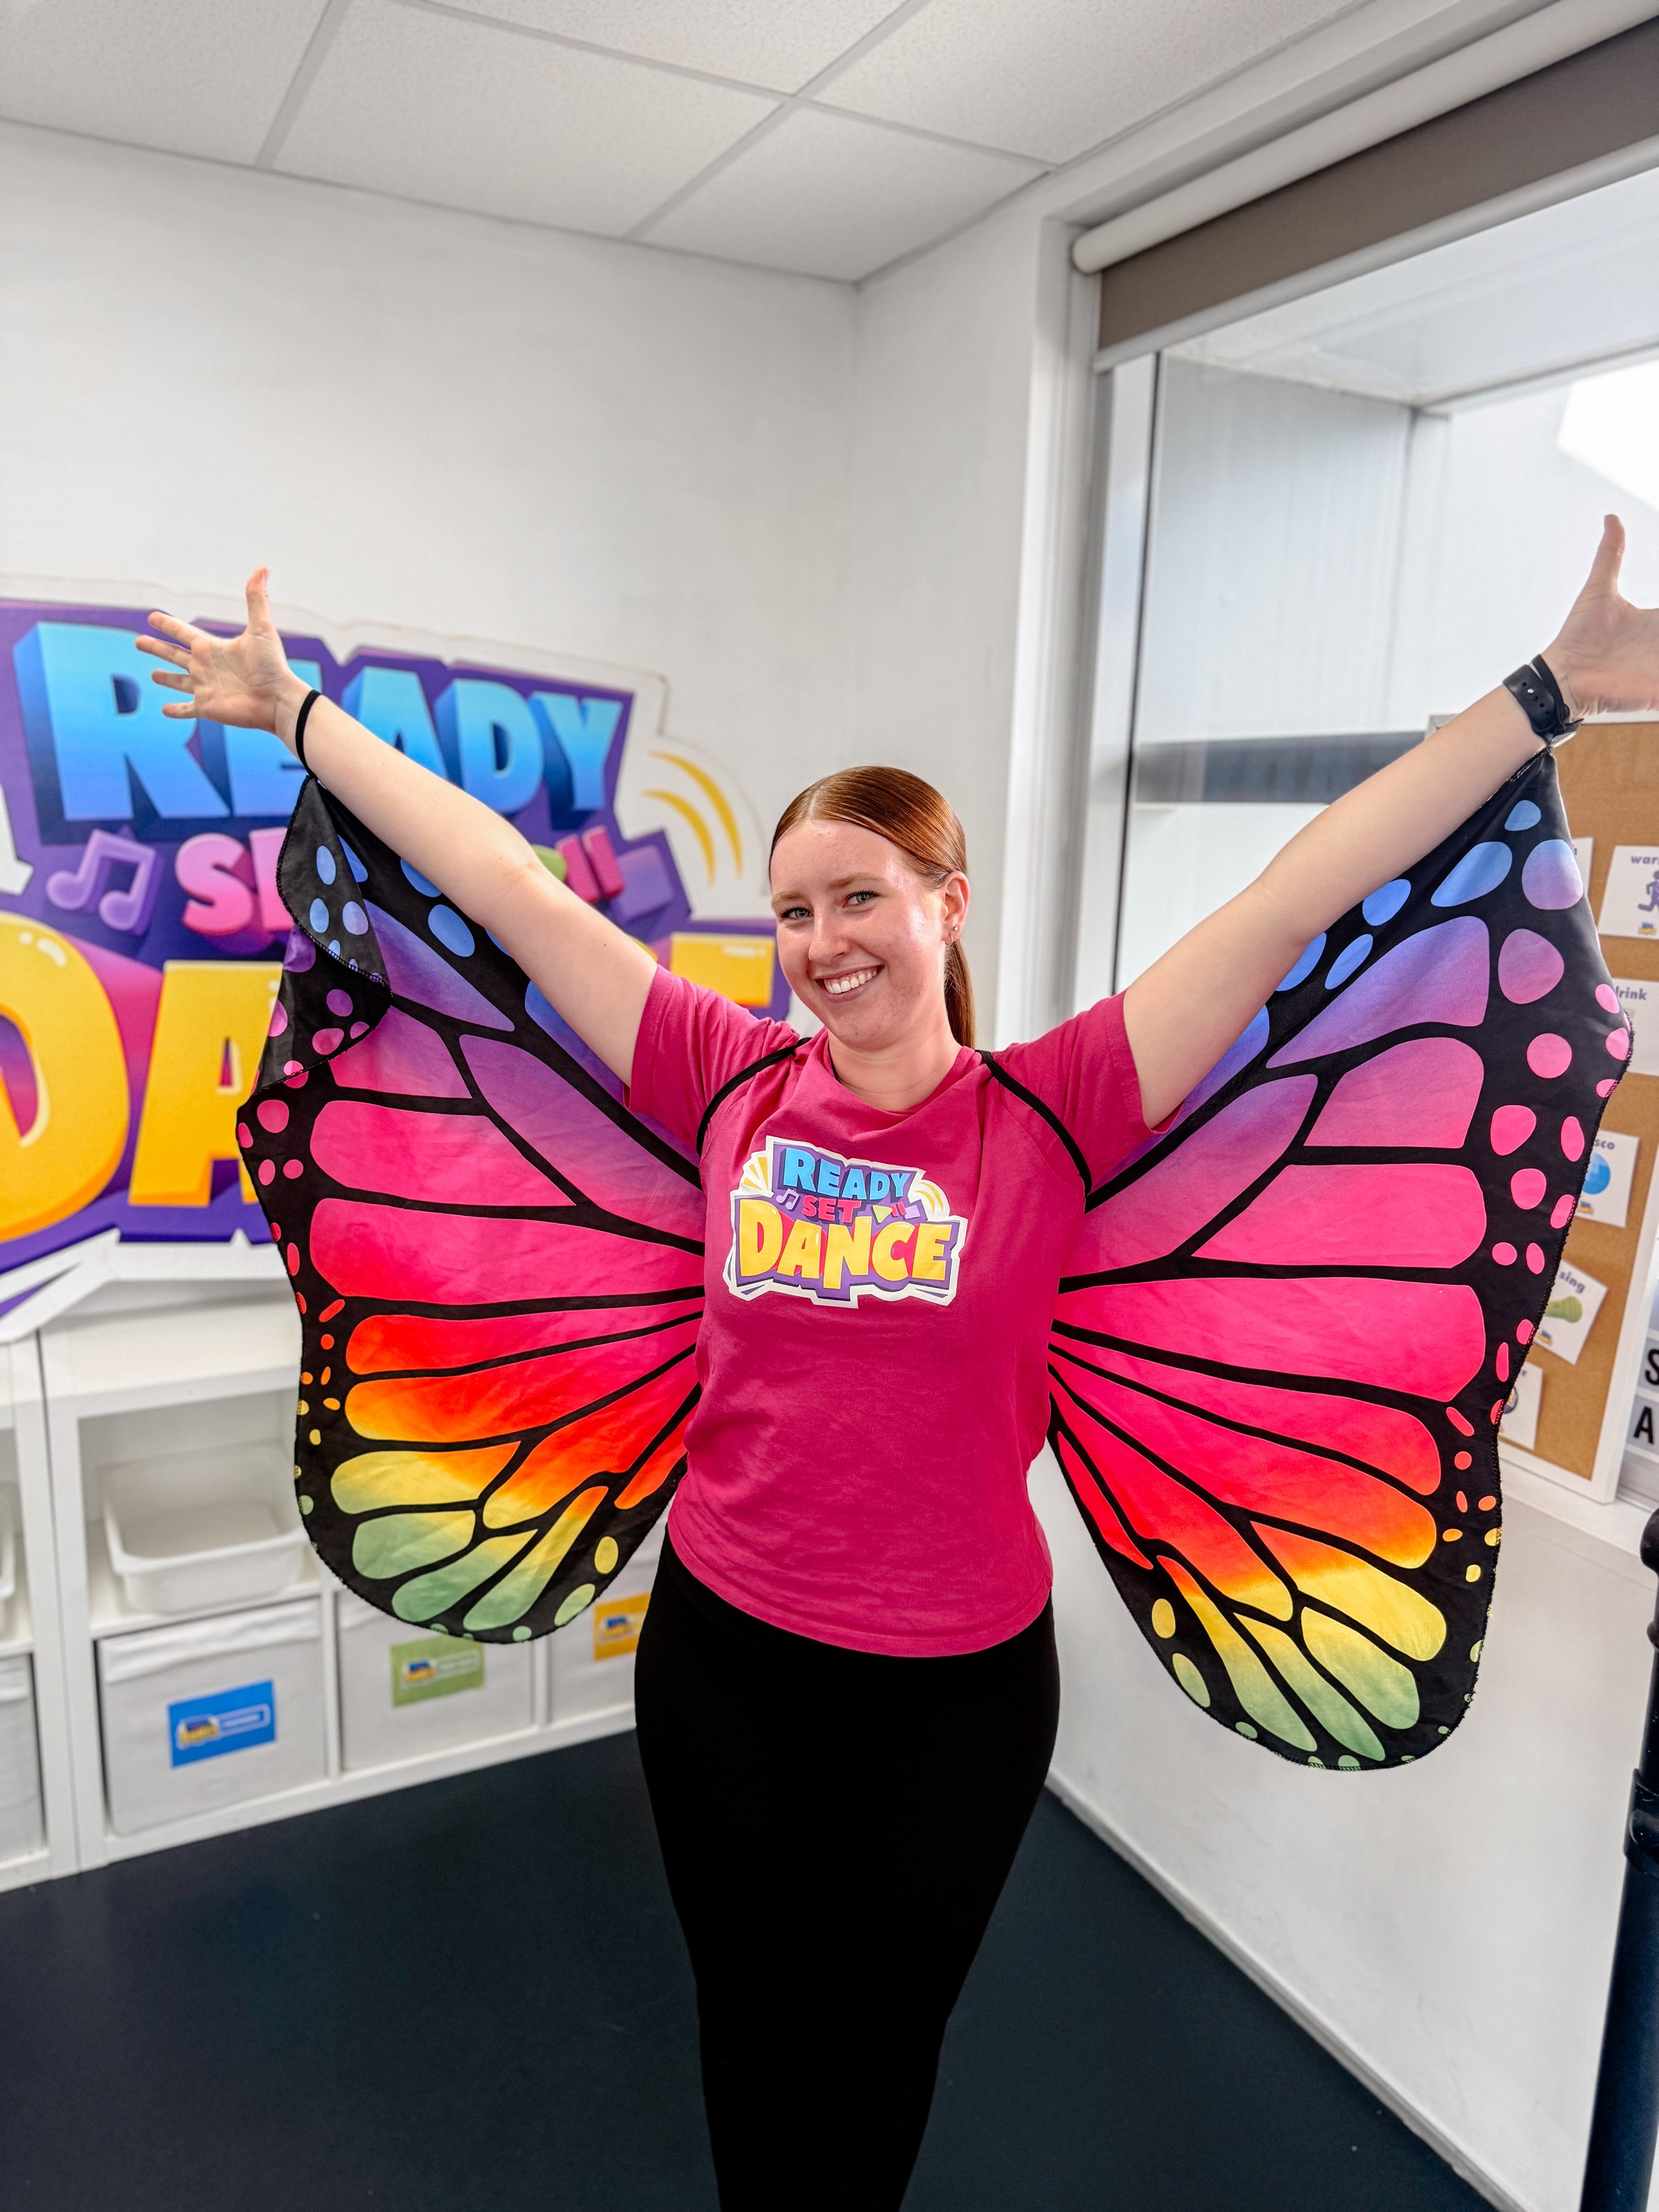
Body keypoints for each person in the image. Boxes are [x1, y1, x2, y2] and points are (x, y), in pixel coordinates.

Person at [137, 519, 1659, 2208]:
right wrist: (298, 715)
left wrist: (1544, 696)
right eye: (792, 908)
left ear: (944, 903)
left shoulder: (1057, 1107)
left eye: (857, 895)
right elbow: (499, 881)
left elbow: (1292, 892)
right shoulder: (718, 1079)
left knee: (878, 2045)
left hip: (953, 1690)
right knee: (744, 2023)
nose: (820, 939)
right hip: (720, 1653)